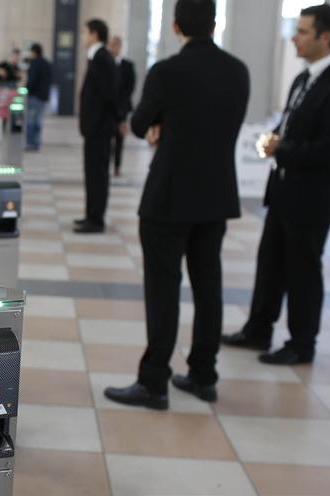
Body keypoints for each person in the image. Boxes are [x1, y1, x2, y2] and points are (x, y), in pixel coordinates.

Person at [103, 0, 249, 410]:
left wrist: (160, 125)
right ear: (216, 23)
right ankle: (204, 375)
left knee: (164, 288)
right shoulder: (237, 70)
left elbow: (136, 124)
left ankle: (154, 382)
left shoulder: (167, 71)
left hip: (169, 196)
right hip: (217, 195)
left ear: (176, 25)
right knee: (209, 285)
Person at [222, 4, 330, 365]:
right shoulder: (303, 79)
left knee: (303, 269)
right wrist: (276, 142)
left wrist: (283, 149)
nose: (294, 38)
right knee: (270, 263)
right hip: (285, 190)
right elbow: (291, 127)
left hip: (313, 196)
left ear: (325, 37)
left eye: (302, 32)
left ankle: (302, 343)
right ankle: (258, 329)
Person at [74, 19, 119, 234]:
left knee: (97, 174)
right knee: (92, 174)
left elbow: (109, 95)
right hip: (94, 129)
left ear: (94, 34)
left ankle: (96, 219)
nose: (83, 37)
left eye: (85, 32)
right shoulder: (96, 57)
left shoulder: (102, 58)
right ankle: (91, 214)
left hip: (99, 129)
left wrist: (100, 123)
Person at [108, 35, 136, 177]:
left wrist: (122, 110)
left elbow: (130, 88)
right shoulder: (105, 64)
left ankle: (117, 166)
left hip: (122, 109)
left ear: (119, 46)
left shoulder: (127, 65)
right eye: (111, 44)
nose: (112, 47)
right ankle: (107, 163)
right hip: (107, 109)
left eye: (115, 45)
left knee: (119, 139)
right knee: (106, 139)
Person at [24, 43, 52, 152]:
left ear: (34, 52)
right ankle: (36, 143)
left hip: (34, 95)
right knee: (39, 120)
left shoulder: (35, 63)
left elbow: (32, 80)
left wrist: (27, 89)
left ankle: (31, 143)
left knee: (31, 120)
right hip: (43, 96)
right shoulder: (47, 63)